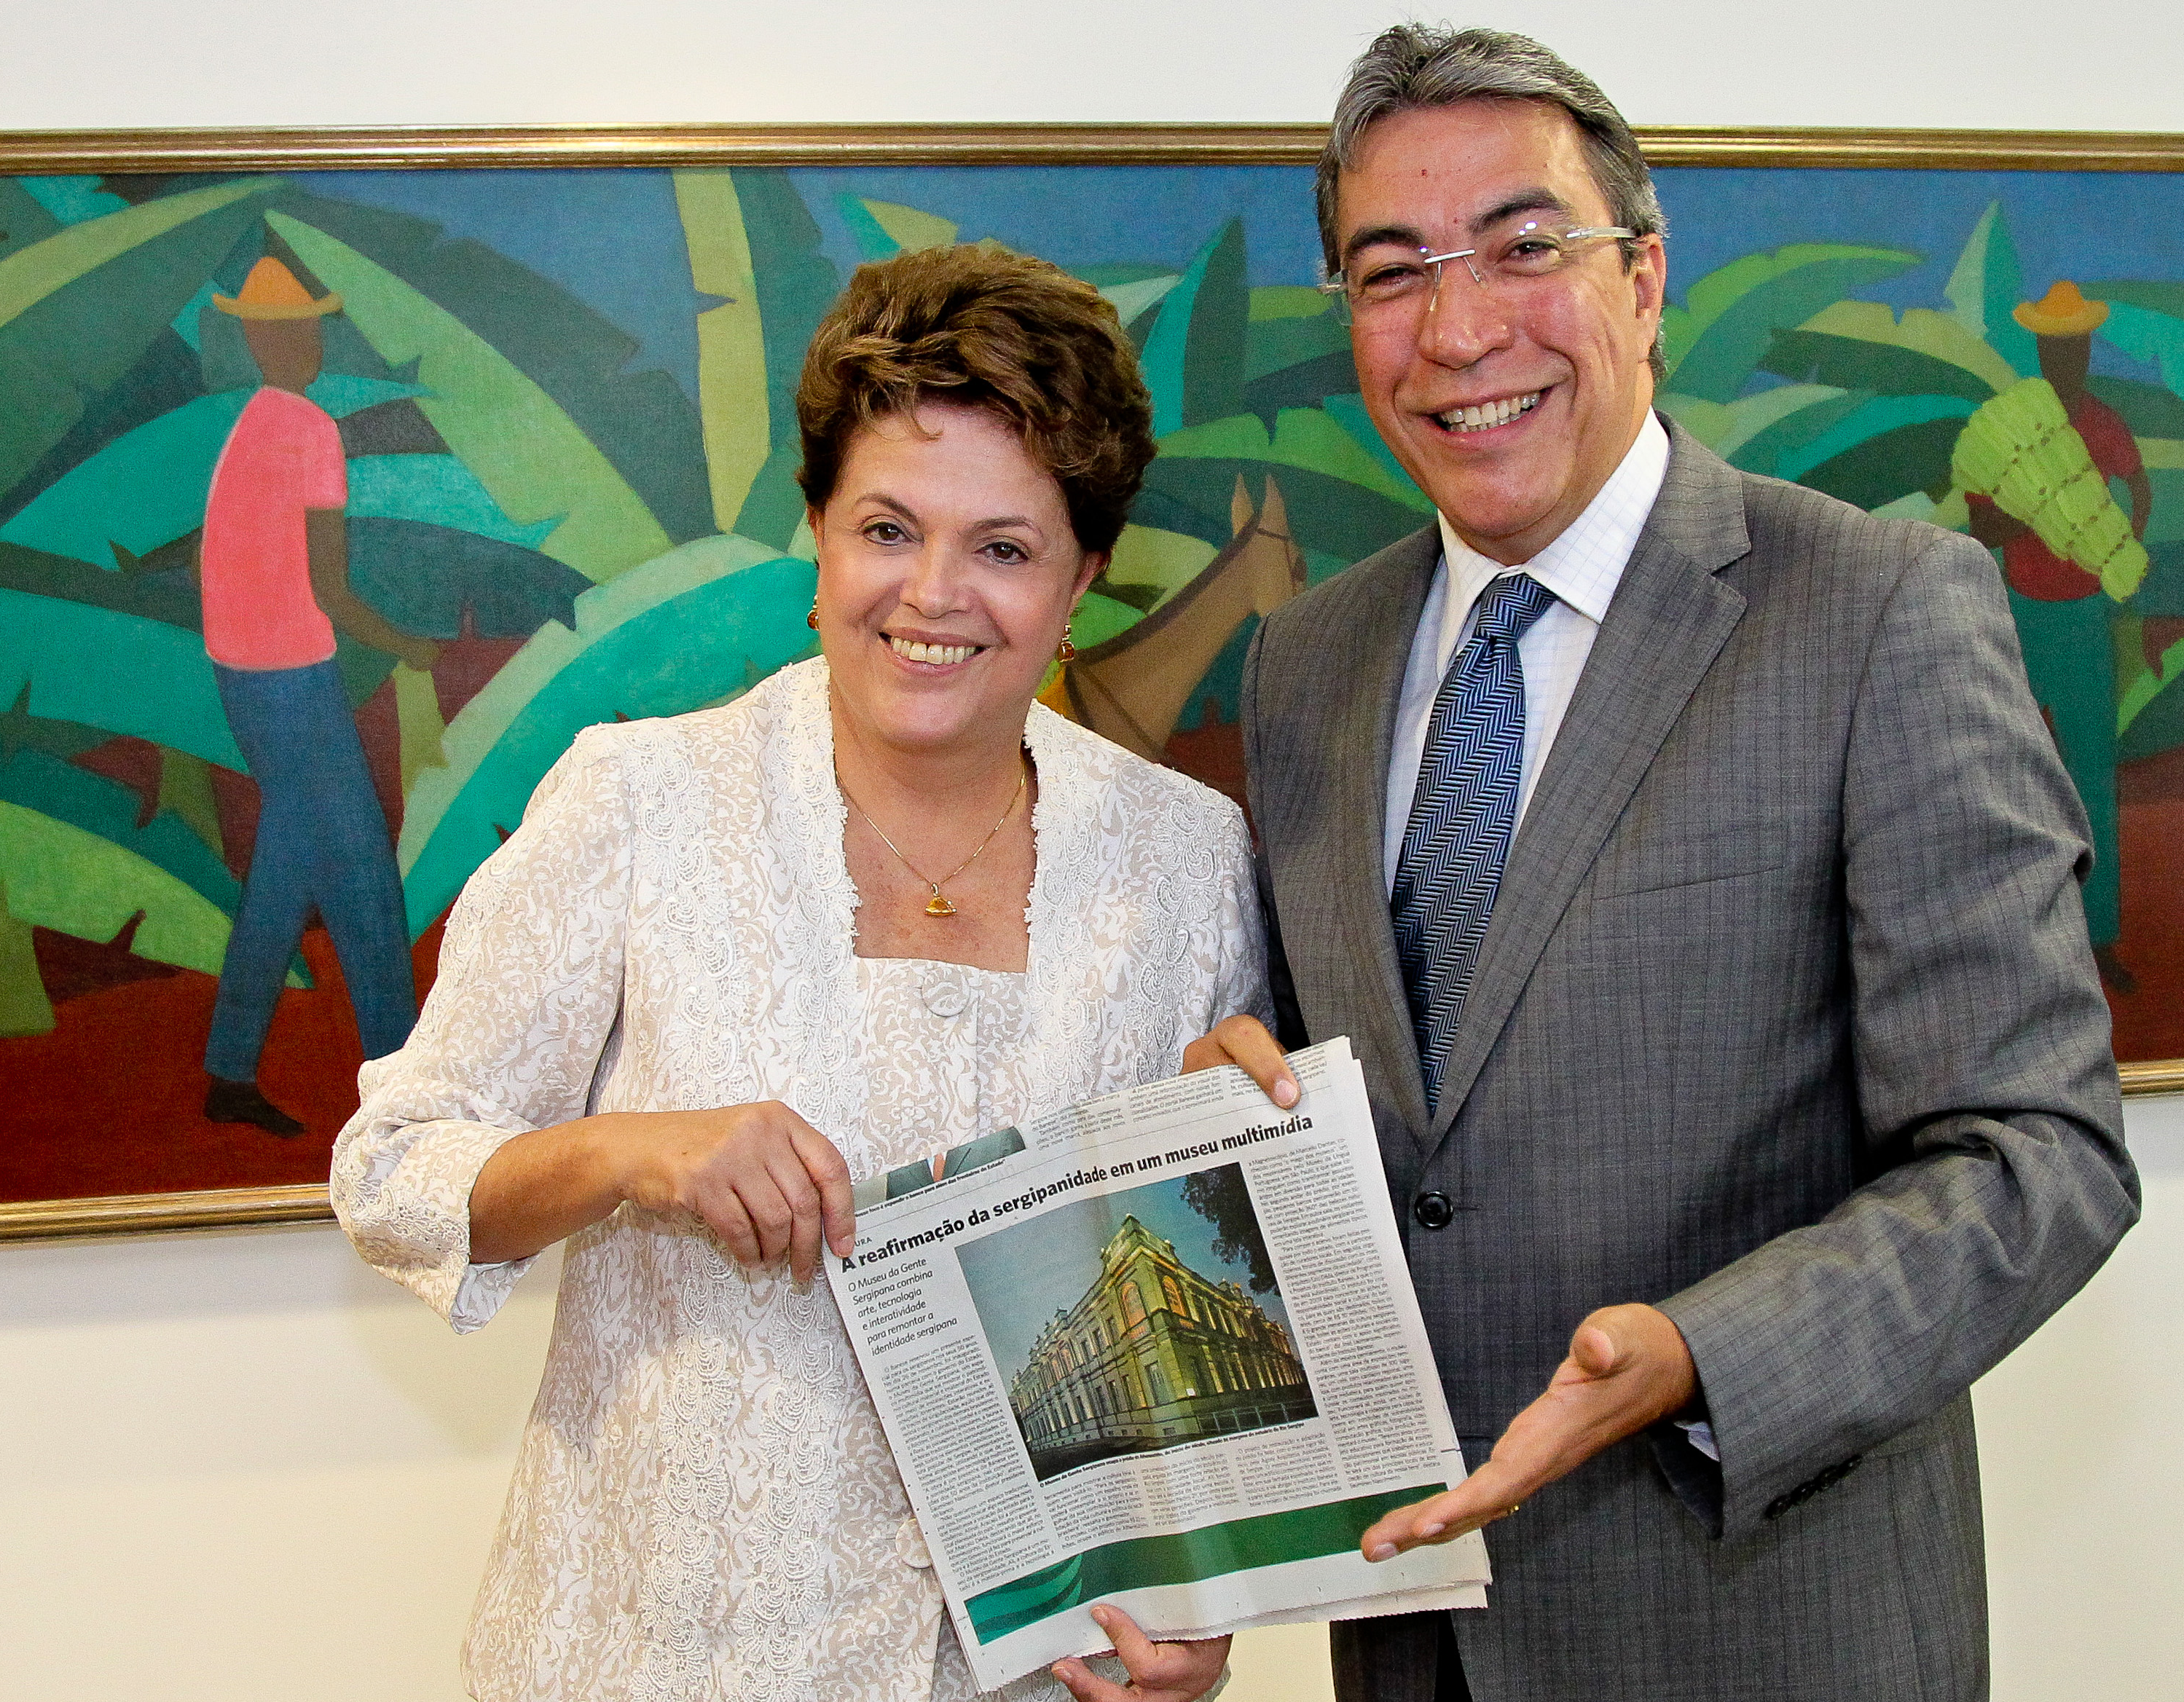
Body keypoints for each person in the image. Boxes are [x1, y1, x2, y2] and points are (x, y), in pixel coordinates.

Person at [1188, 24, 2139, 1701]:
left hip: (1763, 1625)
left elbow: (2033, 1148)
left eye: (1520, 244)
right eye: (1390, 269)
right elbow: (1374, 1110)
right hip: (1410, 1639)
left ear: (1639, 273)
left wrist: (1705, 1352)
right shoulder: (1305, 664)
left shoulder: (1874, 606)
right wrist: (1229, 1111)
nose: (1459, 326)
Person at [331, 245, 1257, 1702]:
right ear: (817, 532)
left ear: (1081, 577)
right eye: (889, 526)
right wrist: (631, 1149)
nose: (932, 595)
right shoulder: (638, 802)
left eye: (1004, 548)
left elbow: (1198, 1305)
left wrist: (1204, 1599)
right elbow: (390, 1170)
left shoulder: (1192, 861)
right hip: (653, 1658)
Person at [198, 256, 439, 1135]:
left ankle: (227, 1068)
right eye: (287, 328)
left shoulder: (253, 426)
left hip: (247, 678)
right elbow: (330, 590)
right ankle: (407, 1101)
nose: (302, 341)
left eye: (308, 327)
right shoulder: (303, 428)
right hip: (290, 680)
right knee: (365, 881)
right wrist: (410, 645)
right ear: (263, 340)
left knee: (283, 875)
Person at [1963, 280, 2154, 983]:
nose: (2062, 358)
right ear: (2040, 349)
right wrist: (2038, 512)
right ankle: (2011, 940)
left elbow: (2141, 493)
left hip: (2081, 618)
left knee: (2091, 774)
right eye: (2052, 346)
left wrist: (2113, 544)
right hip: (2017, 615)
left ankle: (2097, 935)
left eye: (2072, 347)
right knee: (2006, 777)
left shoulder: (2106, 425)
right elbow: (1981, 527)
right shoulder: (2008, 427)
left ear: (2085, 350)